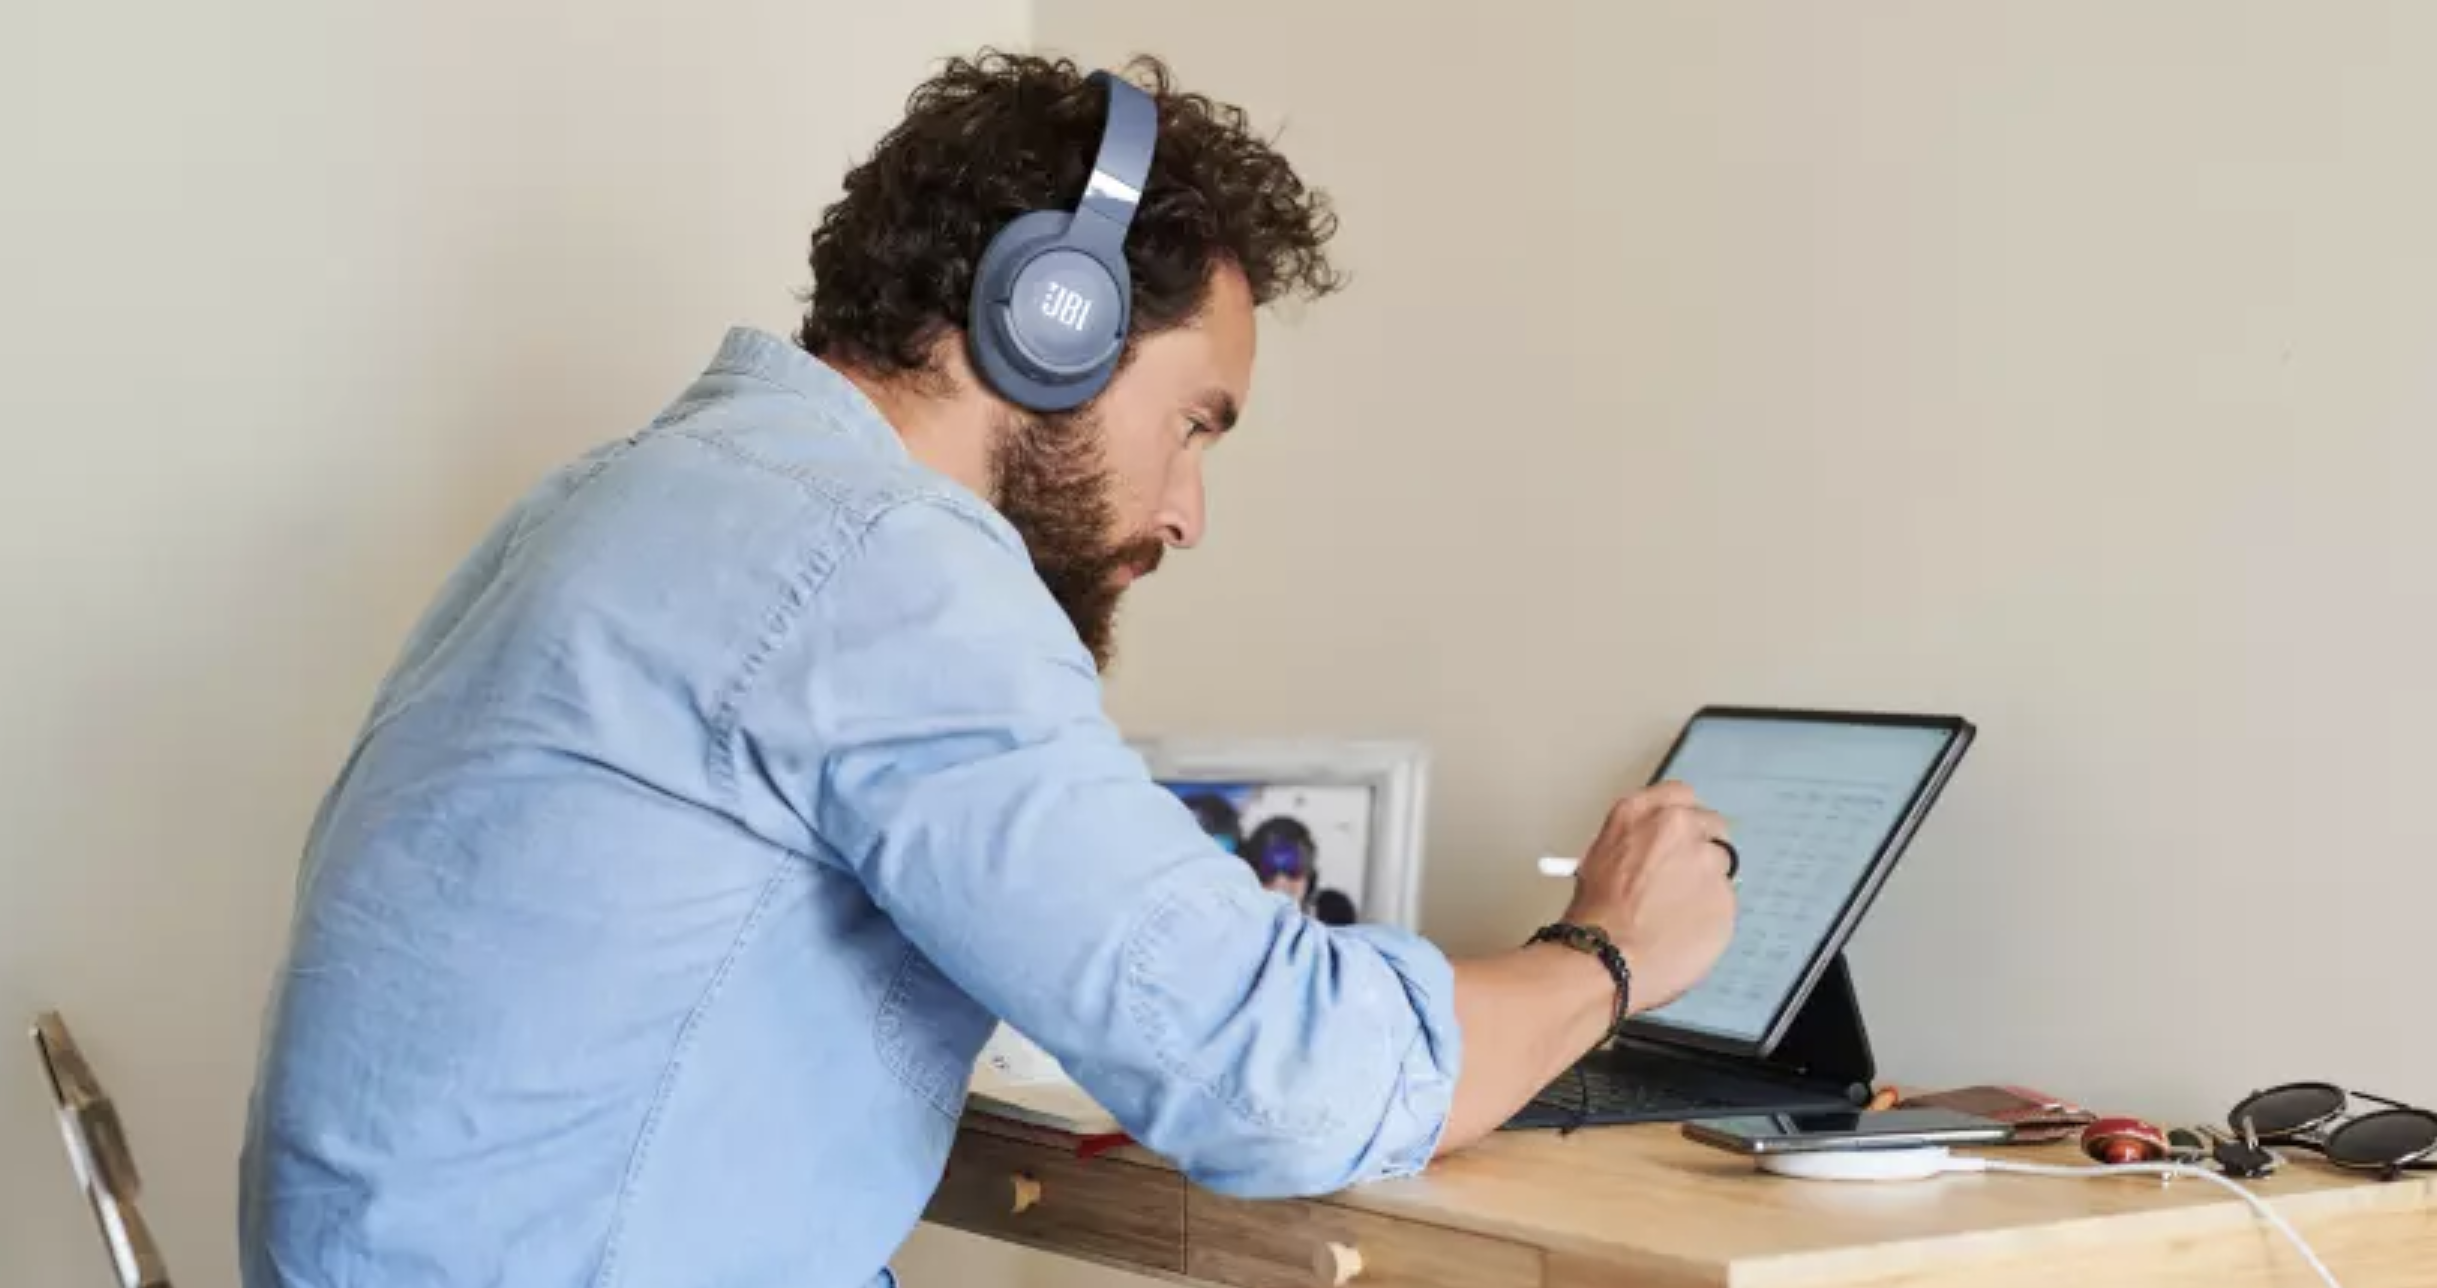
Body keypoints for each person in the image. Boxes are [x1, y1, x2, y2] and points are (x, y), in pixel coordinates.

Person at [235, 51, 1737, 1288]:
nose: (1188, 512)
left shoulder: (622, 499)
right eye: (1196, 423)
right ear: (1051, 324)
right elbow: (1278, 1081)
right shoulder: (869, 559)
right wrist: (1605, 954)